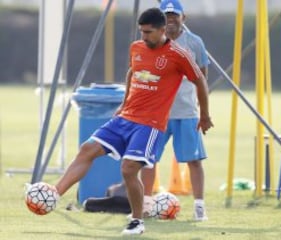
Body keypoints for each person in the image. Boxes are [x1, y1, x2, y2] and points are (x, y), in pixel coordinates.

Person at [46, 7, 213, 236]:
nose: (143, 37)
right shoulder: (136, 48)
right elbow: (132, 73)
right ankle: (53, 195)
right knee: (87, 149)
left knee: (128, 168)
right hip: (126, 117)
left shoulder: (178, 54)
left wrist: (204, 115)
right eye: (141, 32)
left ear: (162, 30)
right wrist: (124, 104)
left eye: (148, 32)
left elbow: (200, 81)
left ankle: (137, 221)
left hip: (150, 124)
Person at [141, 0, 210, 221]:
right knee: (148, 158)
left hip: (187, 112)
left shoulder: (194, 42)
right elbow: (140, 74)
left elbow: (202, 77)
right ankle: (146, 203)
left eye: (175, 16)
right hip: (157, 113)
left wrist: (204, 111)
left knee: (194, 160)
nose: (171, 20)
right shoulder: (151, 41)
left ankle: (199, 206)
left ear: (183, 18)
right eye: (166, 16)